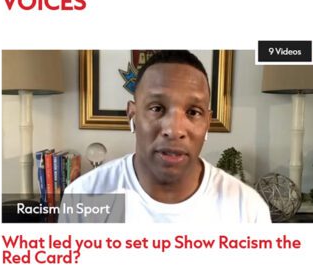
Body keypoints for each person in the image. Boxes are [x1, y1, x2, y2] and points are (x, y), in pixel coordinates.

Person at [60, 50, 271, 223]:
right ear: (132, 115)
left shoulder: (247, 209)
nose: (174, 129)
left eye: (193, 112)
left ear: (207, 122)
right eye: (156, 108)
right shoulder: (85, 196)